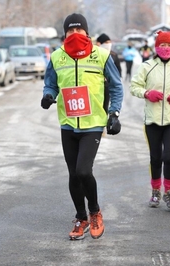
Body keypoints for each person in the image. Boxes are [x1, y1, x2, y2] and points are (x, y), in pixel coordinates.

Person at [41, 13, 123, 240]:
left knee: (83, 170)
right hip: (68, 123)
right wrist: (48, 95)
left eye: (79, 31)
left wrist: (114, 113)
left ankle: (95, 211)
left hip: (93, 123)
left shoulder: (102, 56)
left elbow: (116, 87)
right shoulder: (57, 57)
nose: (75, 35)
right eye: (70, 31)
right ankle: (81, 218)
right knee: (73, 175)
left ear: (87, 33)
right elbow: (50, 83)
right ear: (65, 34)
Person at [130, 31, 170, 211]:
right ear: (156, 47)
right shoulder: (147, 66)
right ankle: (155, 191)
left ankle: (169, 192)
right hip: (153, 121)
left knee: (169, 158)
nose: (166, 49)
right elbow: (134, 87)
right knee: (156, 158)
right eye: (162, 45)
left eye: (169, 45)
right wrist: (147, 93)